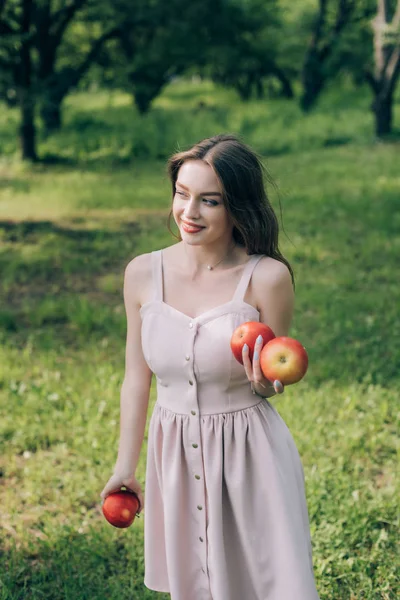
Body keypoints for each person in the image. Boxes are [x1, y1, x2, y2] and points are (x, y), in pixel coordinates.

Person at [100, 133, 320, 600]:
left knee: (265, 582)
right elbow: (136, 379)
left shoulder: (267, 278)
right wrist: (125, 466)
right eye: (182, 194)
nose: (189, 212)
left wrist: (265, 385)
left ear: (237, 207)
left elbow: (271, 379)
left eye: (209, 201)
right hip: (174, 455)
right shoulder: (142, 273)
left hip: (249, 456)